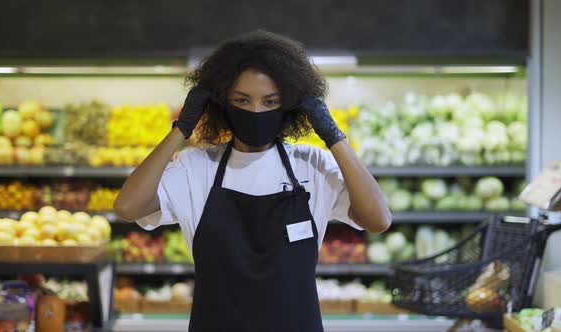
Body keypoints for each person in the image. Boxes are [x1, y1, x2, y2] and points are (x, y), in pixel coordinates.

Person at [114, 30, 391, 332]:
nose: (256, 112)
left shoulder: (312, 165)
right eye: (242, 101)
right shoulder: (195, 167)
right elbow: (128, 207)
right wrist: (181, 129)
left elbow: (377, 219)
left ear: (288, 106)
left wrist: (333, 136)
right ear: (222, 104)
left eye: (270, 101)